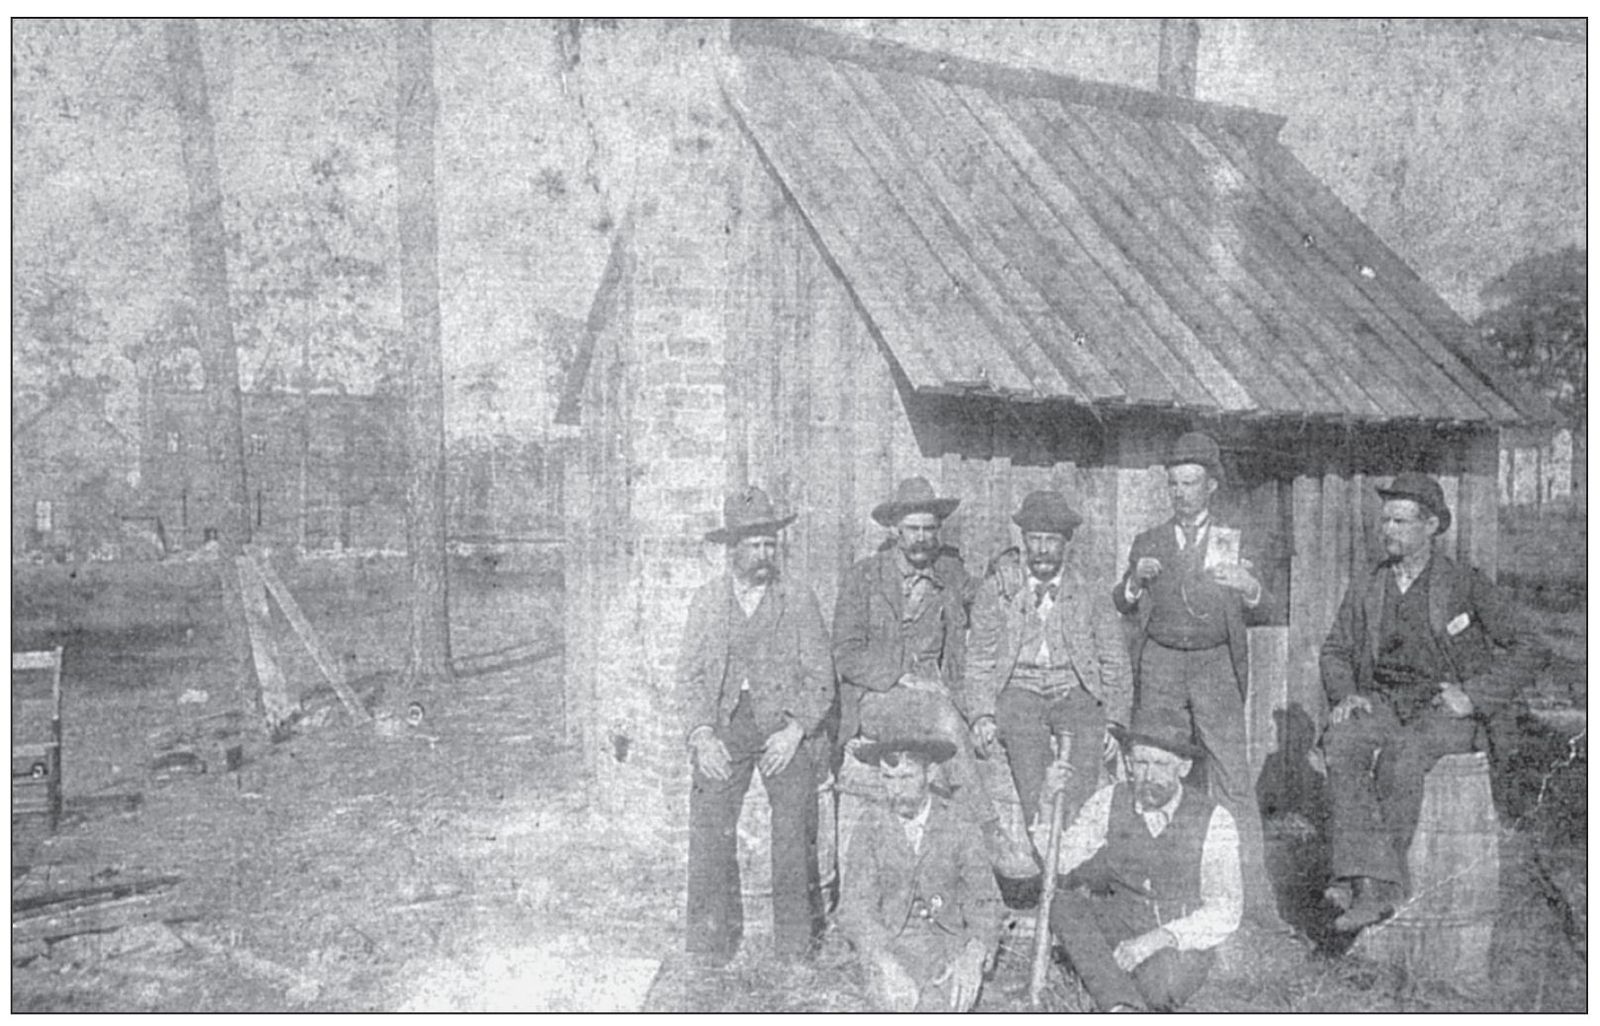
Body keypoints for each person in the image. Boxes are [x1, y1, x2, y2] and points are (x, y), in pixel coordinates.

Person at [1319, 472, 1538, 932]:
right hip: (1383, 701)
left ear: (1432, 526)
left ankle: (1376, 888)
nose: (1388, 531)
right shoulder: (1369, 584)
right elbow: (1336, 650)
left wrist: (1473, 696)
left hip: (1444, 709)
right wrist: (1346, 695)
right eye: (1385, 521)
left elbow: (1531, 647)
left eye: (1400, 522)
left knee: (1401, 756)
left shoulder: (1464, 584)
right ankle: (1364, 879)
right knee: (1341, 742)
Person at [1111, 431, 1279, 929]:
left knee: (1231, 779)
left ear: (1211, 487)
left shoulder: (1237, 539)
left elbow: (1266, 607)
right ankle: (1141, 890)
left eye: (1190, 483)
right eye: (1174, 484)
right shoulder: (1150, 541)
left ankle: (1253, 902)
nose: (1181, 492)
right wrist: (1135, 580)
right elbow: (1120, 602)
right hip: (1160, 663)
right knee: (1150, 769)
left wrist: (1249, 587)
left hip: (1213, 666)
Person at [678, 486, 835, 965]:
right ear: (733, 549)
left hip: (782, 728)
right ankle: (709, 945)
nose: (765, 554)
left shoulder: (797, 599)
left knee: (792, 822)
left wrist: (795, 732)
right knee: (709, 818)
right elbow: (690, 676)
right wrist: (701, 734)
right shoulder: (708, 601)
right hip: (727, 725)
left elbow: (822, 678)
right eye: (755, 545)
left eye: (771, 543)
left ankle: (794, 948)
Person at [831, 477, 1016, 865]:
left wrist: (1006, 569)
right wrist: (901, 675)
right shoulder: (863, 577)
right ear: (895, 531)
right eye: (913, 529)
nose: (921, 539)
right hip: (878, 698)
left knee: (976, 728)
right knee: (946, 723)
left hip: (938, 692)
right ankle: (989, 834)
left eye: (929, 530)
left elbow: (985, 594)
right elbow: (845, 654)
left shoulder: (947, 573)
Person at [1036, 711, 1241, 1013]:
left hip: (1175, 935)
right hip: (1119, 921)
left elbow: (1225, 908)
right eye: (1141, 763)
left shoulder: (1214, 819)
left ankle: (1103, 977)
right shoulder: (1109, 800)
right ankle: (1121, 1006)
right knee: (1063, 904)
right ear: (1129, 764)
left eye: (1161, 765)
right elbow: (1061, 861)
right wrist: (1045, 801)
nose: (1149, 775)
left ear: (1183, 768)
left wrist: (1157, 940)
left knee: (1161, 989)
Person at [967, 489, 1132, 839]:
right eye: (1034, 539)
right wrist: (981, 715)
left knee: (1087, 744)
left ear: (1066, 543)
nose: (1041, 549)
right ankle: (1041, 842)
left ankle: (1077, 846)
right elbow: (979, 660)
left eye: (1051, 540)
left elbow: (1114, 660)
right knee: (1027, 752)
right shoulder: (997, 591)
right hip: (1019, 689)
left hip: (1073, 688)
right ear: (1023, 540)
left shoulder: (1090, 593)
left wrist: (1115, 721)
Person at [837, 736, 1005, 1012]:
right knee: (898, 1003)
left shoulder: (959, 823)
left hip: (948, 947)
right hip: (890, 945)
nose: (896, 790)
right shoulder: (870, 825)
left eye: (906, 777)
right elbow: (855, 907)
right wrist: (881, 960)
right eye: (888, 778)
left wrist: (973, 954)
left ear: (931, 774)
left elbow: (985, 901)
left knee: (946, 1004)